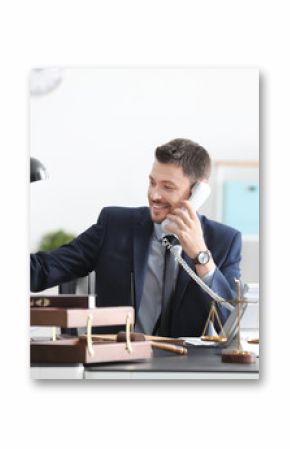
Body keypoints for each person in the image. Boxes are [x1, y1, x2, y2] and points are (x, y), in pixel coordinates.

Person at [30, 138, 241, 337]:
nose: (154, 195)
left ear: (197, 192)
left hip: (185, 369)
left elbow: (231, 326)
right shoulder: (114, 225)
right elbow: (42, 270)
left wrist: (200, 256)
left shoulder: (224, 241)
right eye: (152, 182)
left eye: (167, 187)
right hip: (117, 363)